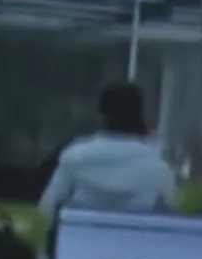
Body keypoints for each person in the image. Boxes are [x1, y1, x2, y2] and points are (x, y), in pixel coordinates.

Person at [38, 83, 176, 220]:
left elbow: (47, 209)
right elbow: (172, 213)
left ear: (101, 114)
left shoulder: (75, 155)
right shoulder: (158, 167)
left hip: (79, 233)